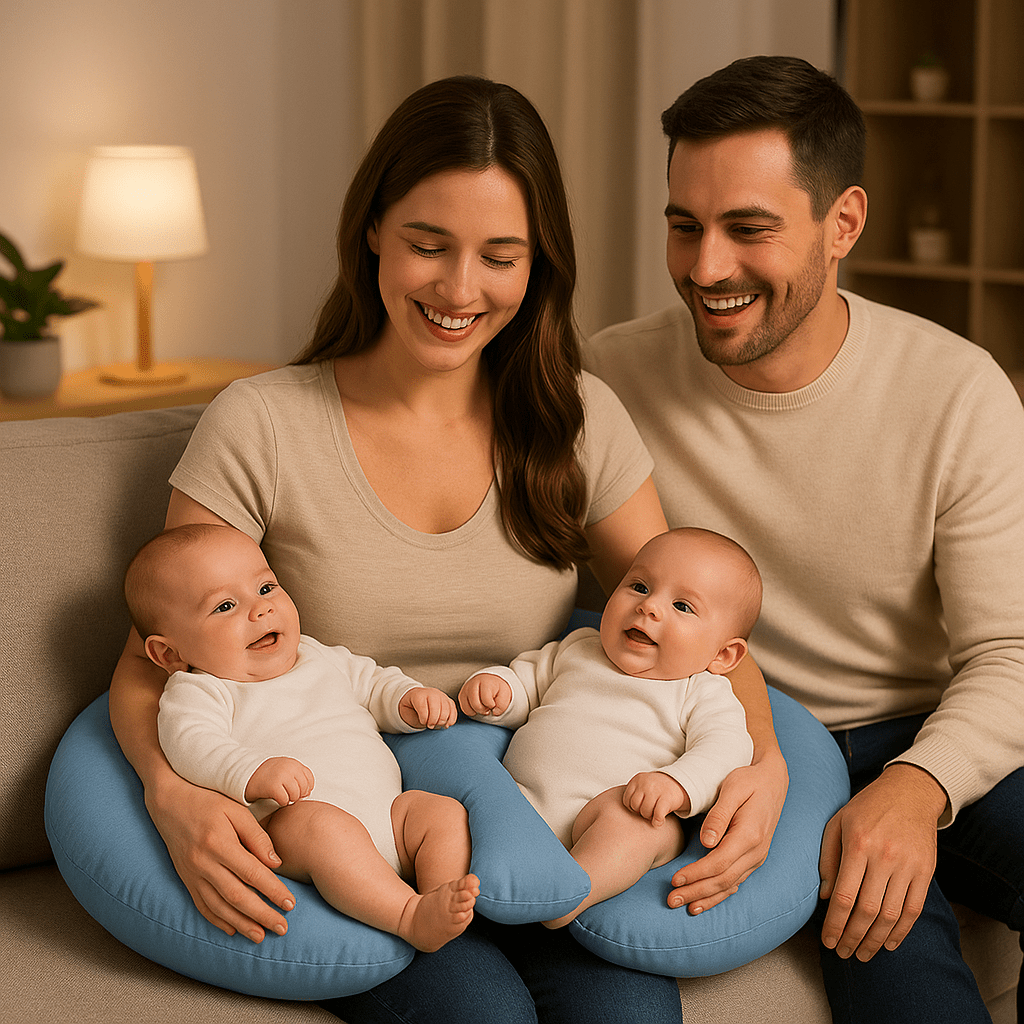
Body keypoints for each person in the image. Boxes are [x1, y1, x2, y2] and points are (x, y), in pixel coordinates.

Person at [107, 75, 786, 1024]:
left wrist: (765, 763)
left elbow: (695, 611)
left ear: (536, 265)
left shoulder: (575, 420)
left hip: (544, 808)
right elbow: (156, 653)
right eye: (428, 244)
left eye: (499, 257)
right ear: (373, 231)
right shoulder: (261, 424)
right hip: (362, 822)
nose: (460, 290)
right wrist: (171, 796)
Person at [584, 54, 1024, 1024]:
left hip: (929, 731)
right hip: (759, 746)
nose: (704, 269)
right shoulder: (607, 377)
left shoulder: (956, 393)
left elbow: (1008, 653)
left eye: (747, 229)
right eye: (682, 226)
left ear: (843, 225)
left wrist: (918, 785)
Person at [124, 523, 478, 953]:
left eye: (267, 587)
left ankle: (443, 901)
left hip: (388, 816)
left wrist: (407, 699)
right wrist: (251, 770)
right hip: (291, 827)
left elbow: (372, 682)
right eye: (225, 606)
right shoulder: (199, 690)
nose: (260, 611)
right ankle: (408, 915)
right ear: (170, 654)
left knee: (441, 813)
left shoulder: (317, 654)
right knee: (323, 828)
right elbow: (190, 744)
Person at [460, 527, 757, 928]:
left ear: (723, 654)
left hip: (613, 813)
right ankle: (488, 877)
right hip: (523, 802)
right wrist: (498, 690)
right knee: (467, 803)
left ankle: (570, 893)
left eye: (683, 606)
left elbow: (726, 750)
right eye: (639, 585)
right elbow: (527, 682)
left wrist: (676, 784)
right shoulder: (579, 647)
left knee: (638, 828)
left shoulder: (702, 692)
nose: (649, 607)